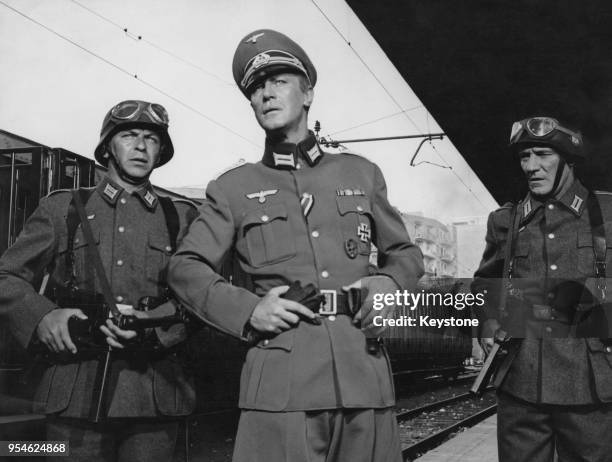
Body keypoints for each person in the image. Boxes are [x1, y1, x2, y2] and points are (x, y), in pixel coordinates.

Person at [168, 29, 424, 462]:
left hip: (363, 373)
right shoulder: (233, 188)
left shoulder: (361, 174)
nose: (265, 94)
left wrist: (388, 284)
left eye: (279, 81)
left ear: (308, 94)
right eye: (255, 88)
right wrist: (248, 310)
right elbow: (185, 268)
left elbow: (406, 254)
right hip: (281, 385)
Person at [0, 100, 196, 461]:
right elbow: (6, 275)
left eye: (151, 138)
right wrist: (42, 316)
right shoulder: (64, 209)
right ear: (108, 147)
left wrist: (157, 328)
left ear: (161, 150)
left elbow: (200, 298)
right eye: (129, 136)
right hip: (75, 387)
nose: (140, 146)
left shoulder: (181, 218)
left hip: (153, 393)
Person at [472, 116, 612, 462]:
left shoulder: (606, 213)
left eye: (542, 154)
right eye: (524, 157)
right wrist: (488, 322)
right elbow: (485, 281)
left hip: (590, 386)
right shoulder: (505, 220)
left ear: (568, 159)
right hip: (522, 383)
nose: (531, 166)